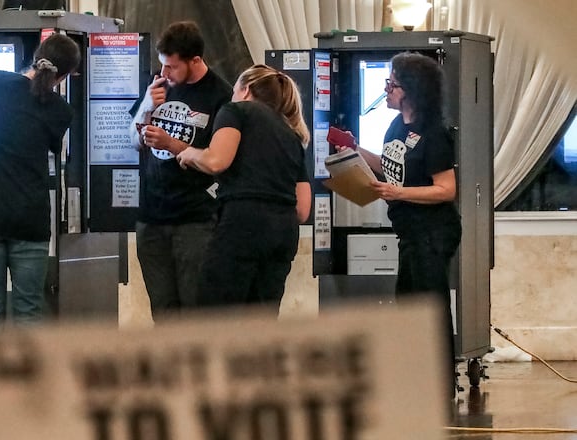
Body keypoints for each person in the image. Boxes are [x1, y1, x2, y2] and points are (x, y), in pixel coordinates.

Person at [336, 52, 462, 398]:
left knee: (430, 304)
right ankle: (412, 374)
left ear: (411, 90)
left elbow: (446, 189)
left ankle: (439, 383)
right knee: (408, 302)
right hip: (409, 231)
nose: (387, 91)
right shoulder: (396, 126)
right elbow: (389, 164)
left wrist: (399, 192)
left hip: (433, 230)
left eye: (392, 85)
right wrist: (354, 149)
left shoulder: (434, 134)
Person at [165, 64, 311, 309]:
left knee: (218, 316)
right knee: (261, 322)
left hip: (242, 224)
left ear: (246, 90)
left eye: (234, 91)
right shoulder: (292, 134)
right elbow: (303, 210)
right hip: (283, 233)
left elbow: (217, 161)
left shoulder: (236, 110)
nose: (232, 97)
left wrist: (189, 154)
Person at [0, 34, 81, 326]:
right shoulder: (60, 110)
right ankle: (26, 375)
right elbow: (53, 144)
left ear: (37, 55)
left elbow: (23, 84)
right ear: (65, 76)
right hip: (29, 220)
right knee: (28, 314)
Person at [130, 21, 233, 316]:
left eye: (172, 67)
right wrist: (147, 105)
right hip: (151, 216)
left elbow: (219, 160)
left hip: (195, 219)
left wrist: (172, 143)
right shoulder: (159, 86)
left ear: (195, 61)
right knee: (162, 310)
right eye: (162, 66)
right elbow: (133, 141)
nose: (164, 74)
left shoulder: (221, 97)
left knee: (195, 309)